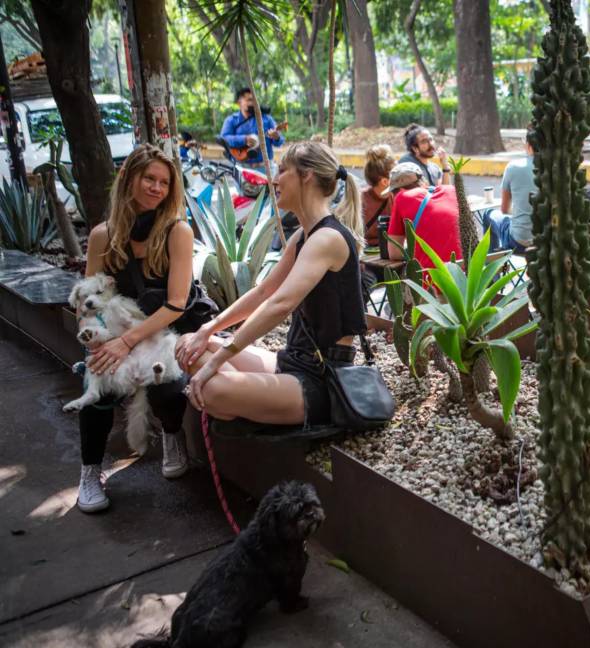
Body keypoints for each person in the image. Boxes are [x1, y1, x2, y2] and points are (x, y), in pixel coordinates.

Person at [177, 142, 366, 429]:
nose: (274, 180)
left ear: (307, 176)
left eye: (282, 170)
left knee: (213, 389)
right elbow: (265, 291)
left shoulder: (327, 239)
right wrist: (208, 329)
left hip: (320, 380)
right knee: (189, 345)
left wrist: (216, 364)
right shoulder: (304, 236)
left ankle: (230, 397)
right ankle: (241, 400)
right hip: (291, 361)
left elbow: (280, 303)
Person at [75, 144, 201, 513]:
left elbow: (176, 303)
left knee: (167, 379)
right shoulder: (103, 235)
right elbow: (87, 301)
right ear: (129, 179)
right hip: (114, 332)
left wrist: (130, 341)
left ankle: (172, 434)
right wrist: (102, 343)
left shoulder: (178, 232)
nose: (157, 188)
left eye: (164, 182)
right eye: (149, 178)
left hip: (163, 331)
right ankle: (89, 470)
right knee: (96, 383)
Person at [385, 162, 462, 269]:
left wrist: (413, 245)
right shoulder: (450, 190)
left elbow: (394, 253)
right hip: (466, 276)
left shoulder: (402, 197)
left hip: (432, 280)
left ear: (399, 191)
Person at [482, 131, 536, 253]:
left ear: (528, 145)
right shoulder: (556, 169)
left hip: (519, 242)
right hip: (549, 243)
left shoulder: (514, 167)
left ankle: (492, 269)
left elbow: (505, 210)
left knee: (488, 214)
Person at [220, 87, 285, 169]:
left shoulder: (266, 119)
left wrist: (276, 137)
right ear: (239, 102)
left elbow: (280, 142)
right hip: (242, 167)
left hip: (266, 167)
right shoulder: (231, 120)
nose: (252, 102)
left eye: (254, 100)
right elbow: (223, 138)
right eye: (249, 100)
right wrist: (244, 139)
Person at [361, 144, 395, 246]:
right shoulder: (360, 200)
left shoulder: (397, 197)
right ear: (385, 181)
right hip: (364, 255)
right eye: (397, 173)